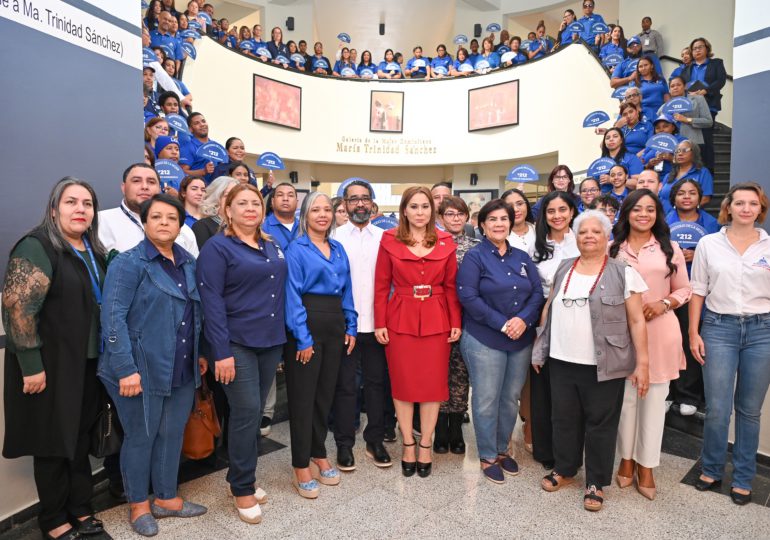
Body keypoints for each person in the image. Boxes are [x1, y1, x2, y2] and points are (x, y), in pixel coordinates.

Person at [2, 178, 110, 540]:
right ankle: (53, 519)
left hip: (88, 363)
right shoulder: (38, 246)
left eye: (87, 204)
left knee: (79, 441)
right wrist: (31, 364)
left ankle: (80, 508)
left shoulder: (93, 251)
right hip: (50, 367)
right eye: (71, 202)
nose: (81, 209)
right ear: (53, 209)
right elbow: (18, 309)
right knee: (52, 443)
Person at [99, 194, 207, 536]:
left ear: (180, 224)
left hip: (181, 366)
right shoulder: (128, 263)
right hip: (137, 368)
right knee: (141, 437)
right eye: (156, 217)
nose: (164, 222)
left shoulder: (188, 261)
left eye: (171, 218)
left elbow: (194, 313)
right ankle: (138, 505)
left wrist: (200, 354)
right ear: (144, 223)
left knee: (171, 433)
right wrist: (125, 369)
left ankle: (166, 498)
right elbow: (112, 319)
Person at [533, 210, 650, 512]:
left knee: (600, 423)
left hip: (604, 363)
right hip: (561, 359)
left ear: (607, 236)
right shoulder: (563, 268)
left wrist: (643, 363)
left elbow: (637, 320)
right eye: (583, 231)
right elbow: (549, 307)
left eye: (596, 232)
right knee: (564, 418)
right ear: (576, 236)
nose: (589, 236)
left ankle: (596, 482)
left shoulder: (623, 272)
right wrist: (540, 348)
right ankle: (565, 469)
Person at [197, 184, 287, 522]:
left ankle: (241, 475)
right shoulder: (217, 248)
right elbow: (212, 303)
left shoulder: (271, 244)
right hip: (235, 344)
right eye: (242, 203)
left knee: (251, 414)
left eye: (255, 203)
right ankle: (242, 488)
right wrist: (220, 352)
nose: (250, 208)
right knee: (248, 411)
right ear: (227, 208)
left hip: (269, 342)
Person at [689, 182, 770, 506]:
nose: (746, 208)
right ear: (729, 207)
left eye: (753, 203)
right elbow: (698, 291)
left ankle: (743, 477)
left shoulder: (768, 245)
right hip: (719, 328)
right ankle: (711, 469)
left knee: (749, 411)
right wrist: (694, 333)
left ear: (760, 209)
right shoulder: (709, 244)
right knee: (718, 410)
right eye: (740, 203)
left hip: (762, 330)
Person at [374, 186, 462, 478]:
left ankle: (426, 443)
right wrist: (380, 322)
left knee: (433, 387)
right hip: (400, 318)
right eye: (414, 207)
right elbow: (380, 284)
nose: (420, 212)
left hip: (437, 318)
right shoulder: (389, 240)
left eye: (425, 206)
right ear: (404, 211)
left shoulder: (446, 241)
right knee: (403, 384)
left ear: (432, 210)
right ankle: (408, 443)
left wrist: (455, 322)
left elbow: (451, 286)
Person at [610, 189, 691, 501]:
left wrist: (665, 303)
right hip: (622, 334)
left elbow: (685, 289)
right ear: (627, 213)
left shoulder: (669, 248)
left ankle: (647, 466)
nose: (643, 214)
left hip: (661, 331)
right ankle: (626, 460)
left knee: (655, 402)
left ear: (658, 214)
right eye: (637, 209)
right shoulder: (613, 247)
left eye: (650, 209)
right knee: (627, 401)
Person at [458, 200, 544, 483]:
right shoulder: (475, 257)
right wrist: (504, 323)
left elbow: (536, 295)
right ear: (482, 225)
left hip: (520, 339)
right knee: (485, 400)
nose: (498, 224)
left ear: (511, 223)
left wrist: (523, 321)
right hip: (485, 338)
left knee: (509, 399)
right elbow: (468, 297)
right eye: (492, 219)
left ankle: (502, 450)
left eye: (503, 219)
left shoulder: (521, 257)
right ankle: (487, 454)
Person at [284, 192, 357, 498]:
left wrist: (351, 324)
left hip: (335, 324)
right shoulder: (295, 249)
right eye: (316, 209)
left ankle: (318, 452)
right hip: (307, 326)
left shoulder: (339, 249)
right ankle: (300, 464)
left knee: (324, 396)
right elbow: (292, 295)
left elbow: (348, 291)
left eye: (328, 209)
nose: (323, 214)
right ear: (306, 215)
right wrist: (303, 337)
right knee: (303, 399)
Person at [332, 181, 396, 472]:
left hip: (378, 324)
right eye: (353, 199)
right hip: (345, 326)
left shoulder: (386, 237)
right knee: (346, 387)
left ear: (372, 203)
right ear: (343, 204)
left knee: (377, 385)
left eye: (365, 199)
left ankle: (375, 440)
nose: (360, 204)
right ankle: (344, 445)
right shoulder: (334, 237)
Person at [528, 191, 579, 470]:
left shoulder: (582, 239)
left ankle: (571, 449)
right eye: (551, 211)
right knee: (543, 383)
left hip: (577, 316)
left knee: (569, 383)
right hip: (542, 315)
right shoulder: (535, 245)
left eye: (562, 209)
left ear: (572, 212)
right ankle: (545, 450)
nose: (557, 215)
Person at [664, 179, 719, 417]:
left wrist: (698, 254)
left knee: (690, 342)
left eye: (692, 193)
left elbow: (719, 255)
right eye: (682, 193)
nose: (687, 197)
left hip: (695, 293)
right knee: (666, 342)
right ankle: (667, 392)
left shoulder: (711, 223)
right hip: (666, 290)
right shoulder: (663, 221)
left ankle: (689, 395)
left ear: (700, 197)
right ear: (674, 197)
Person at [432, 197, 480, 455]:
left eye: (460, 214)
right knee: (439, 372)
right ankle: (439, 427)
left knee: (461, 374)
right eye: (450, 214)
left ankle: (456, 428)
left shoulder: (476, 247)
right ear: (441, 217)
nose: (455, 219)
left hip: (467, 318)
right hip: (437, 317)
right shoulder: (432, 244)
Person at [99, 163, 199, 256]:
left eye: (151, 182)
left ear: (159, 189)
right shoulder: (101, 222)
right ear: (123, 187)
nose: (145, 186)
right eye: (136, 181)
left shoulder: (183, 230)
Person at [681, 37, 727, 172]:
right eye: (694, 48)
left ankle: (708, 173)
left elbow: (721, 81)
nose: (697, 50)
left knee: (707, 142)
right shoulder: (686, 69)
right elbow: (682, 86)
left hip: (709, 104)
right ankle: (692, 171)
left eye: (700, 47)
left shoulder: (716, 63)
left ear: (707, 48)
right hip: (690, 109)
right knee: (692, 142)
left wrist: (706, 90)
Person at [660, 76, 713, 158]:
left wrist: (687, 119)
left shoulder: (698, 99)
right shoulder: (665, 107)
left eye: (678, 85)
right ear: (669, 90)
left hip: (692, 143)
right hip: (671, 145)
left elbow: (708, 122)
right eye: (672, 86)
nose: (675, 88)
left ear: (685, 87)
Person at [659, 140, 714, 214]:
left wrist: (686, 212)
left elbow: (705, 198)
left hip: (688, 219)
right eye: (677, 151)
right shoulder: (668, 175)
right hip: (665, 218)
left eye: (685, 150)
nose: (680, 153)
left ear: (694, 153)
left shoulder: (702, 172)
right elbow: (661, 197)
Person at [191, 176, 239, 249]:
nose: (233, 199)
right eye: (227, 195)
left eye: (237, 195)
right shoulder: (201, 226)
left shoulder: (244, 225)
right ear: (216, 198)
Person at [640, 115, 686, 180]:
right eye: (657, 128)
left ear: (673, 127)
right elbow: (641, 163)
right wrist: (648, 165)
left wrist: (672, 158)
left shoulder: (682, 141)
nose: (661, 130)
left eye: (665, 126)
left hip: (674, 178)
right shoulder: (652, 142)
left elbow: (689, 163)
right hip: (651, 178)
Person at [262, 182, 299, 250]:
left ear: (297, 202)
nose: (285, 199)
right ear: (272, 201)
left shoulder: (305, 228)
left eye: (290, 195)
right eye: (280, 195)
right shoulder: (262, 228)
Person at [636, 56, 669, 124]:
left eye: (646, 65)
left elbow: (666, 97)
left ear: (652, 66)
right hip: (645, 114)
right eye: (640, 66)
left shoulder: (661, 79)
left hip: (662, 112)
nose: (643, 68)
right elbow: (633, 101)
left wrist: (670, 111)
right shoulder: (635, 83)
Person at [502, 188, 535, 254]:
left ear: (527, 205)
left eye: (519, 204)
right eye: (509, 206)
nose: (515, 209)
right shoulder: (499, 236)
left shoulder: (539, 231)